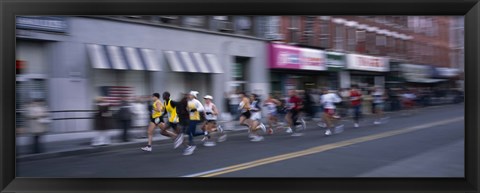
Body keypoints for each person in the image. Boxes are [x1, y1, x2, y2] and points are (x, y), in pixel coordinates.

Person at [183, 91, 206, 156]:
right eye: (189, 95)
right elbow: (187, 109)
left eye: (190, 95)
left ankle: (191, 145)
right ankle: (205, 133)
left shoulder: (196, 101)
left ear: (193, 96)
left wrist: (195, 109)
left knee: (189, 131)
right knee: (192, 133)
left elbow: (201, 108)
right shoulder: (188, 102)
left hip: (195, 118)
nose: (189, 96)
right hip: (190, 118)